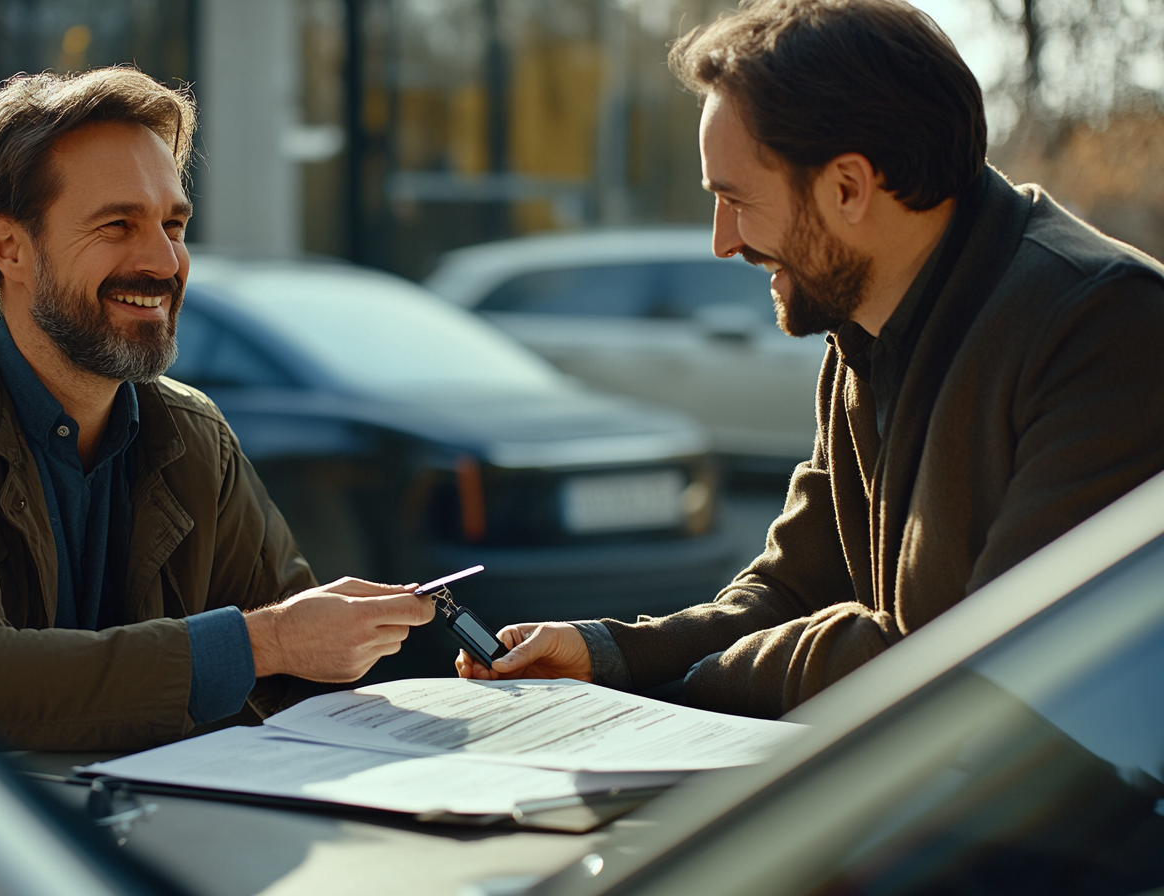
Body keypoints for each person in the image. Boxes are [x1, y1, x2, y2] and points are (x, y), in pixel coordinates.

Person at [457, 0, 1164, 717]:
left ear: (849, 187)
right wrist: (611, 656)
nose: (721, 241)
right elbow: (795, 588)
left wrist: (670, 690)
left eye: (734, 199)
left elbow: (984, 666)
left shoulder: (1105, 325)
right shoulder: (863, 327)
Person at [0, 67, 434, 751]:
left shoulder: (194, 433)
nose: (164, 260)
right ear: (9, 247)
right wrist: (270, 641)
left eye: (173, 224)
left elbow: (300, 684)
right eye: (118, 224)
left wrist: (466, 715)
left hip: (158, 841)